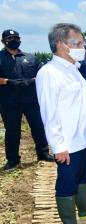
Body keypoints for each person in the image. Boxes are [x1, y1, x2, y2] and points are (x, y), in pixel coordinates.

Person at [35, 23, 86, 224]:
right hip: (68, 142)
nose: (82, 47)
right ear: (60, 44)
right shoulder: (50, 73)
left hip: (84, 138)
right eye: (77, 43)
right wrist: (58, 146)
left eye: (82, 43)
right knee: (67, 183)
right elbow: (49, 115)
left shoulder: (74, 70)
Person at [0, 29, 53, 170]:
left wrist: (32, 80)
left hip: (31, 100)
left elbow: (42, 74)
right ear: (3, 41)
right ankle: (13, 160)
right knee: (12, 131)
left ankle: (43, 153)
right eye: (10, 38)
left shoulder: (30, 58)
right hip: (9, 102)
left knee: (38, 126)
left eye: (16, 37)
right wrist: (8, 81)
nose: (14, 40)